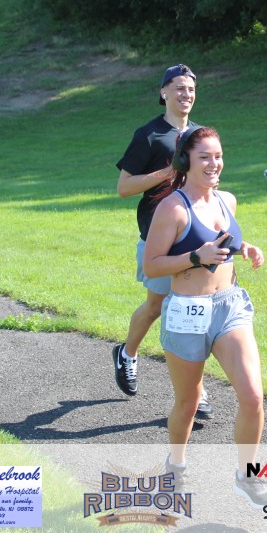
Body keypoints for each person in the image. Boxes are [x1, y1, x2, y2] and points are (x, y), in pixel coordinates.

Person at [143, 125, 267, 508]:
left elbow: (224, 243)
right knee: (188, 404)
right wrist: (194, 258)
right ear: (186, 160)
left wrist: (245, 247)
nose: (214, 163)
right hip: (188, 312)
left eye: (218, 156)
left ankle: (247, 477)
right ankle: (176, 465)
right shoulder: (172, 208)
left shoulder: (226, 200)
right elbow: (152, 265)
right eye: (205, 157)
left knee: (253, 396)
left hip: (229, 307)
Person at [113, 63, 213, 418]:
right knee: (156, 307)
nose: (187, 94)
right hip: (158, 239)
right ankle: (127, 353)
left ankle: (195, 394)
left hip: (193, 238)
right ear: (164, 92)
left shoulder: (200, 135)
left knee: (190, 314)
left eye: (191, 89)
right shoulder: (149, 135)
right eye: (180, 88)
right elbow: (124, 187)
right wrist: (167, 172)